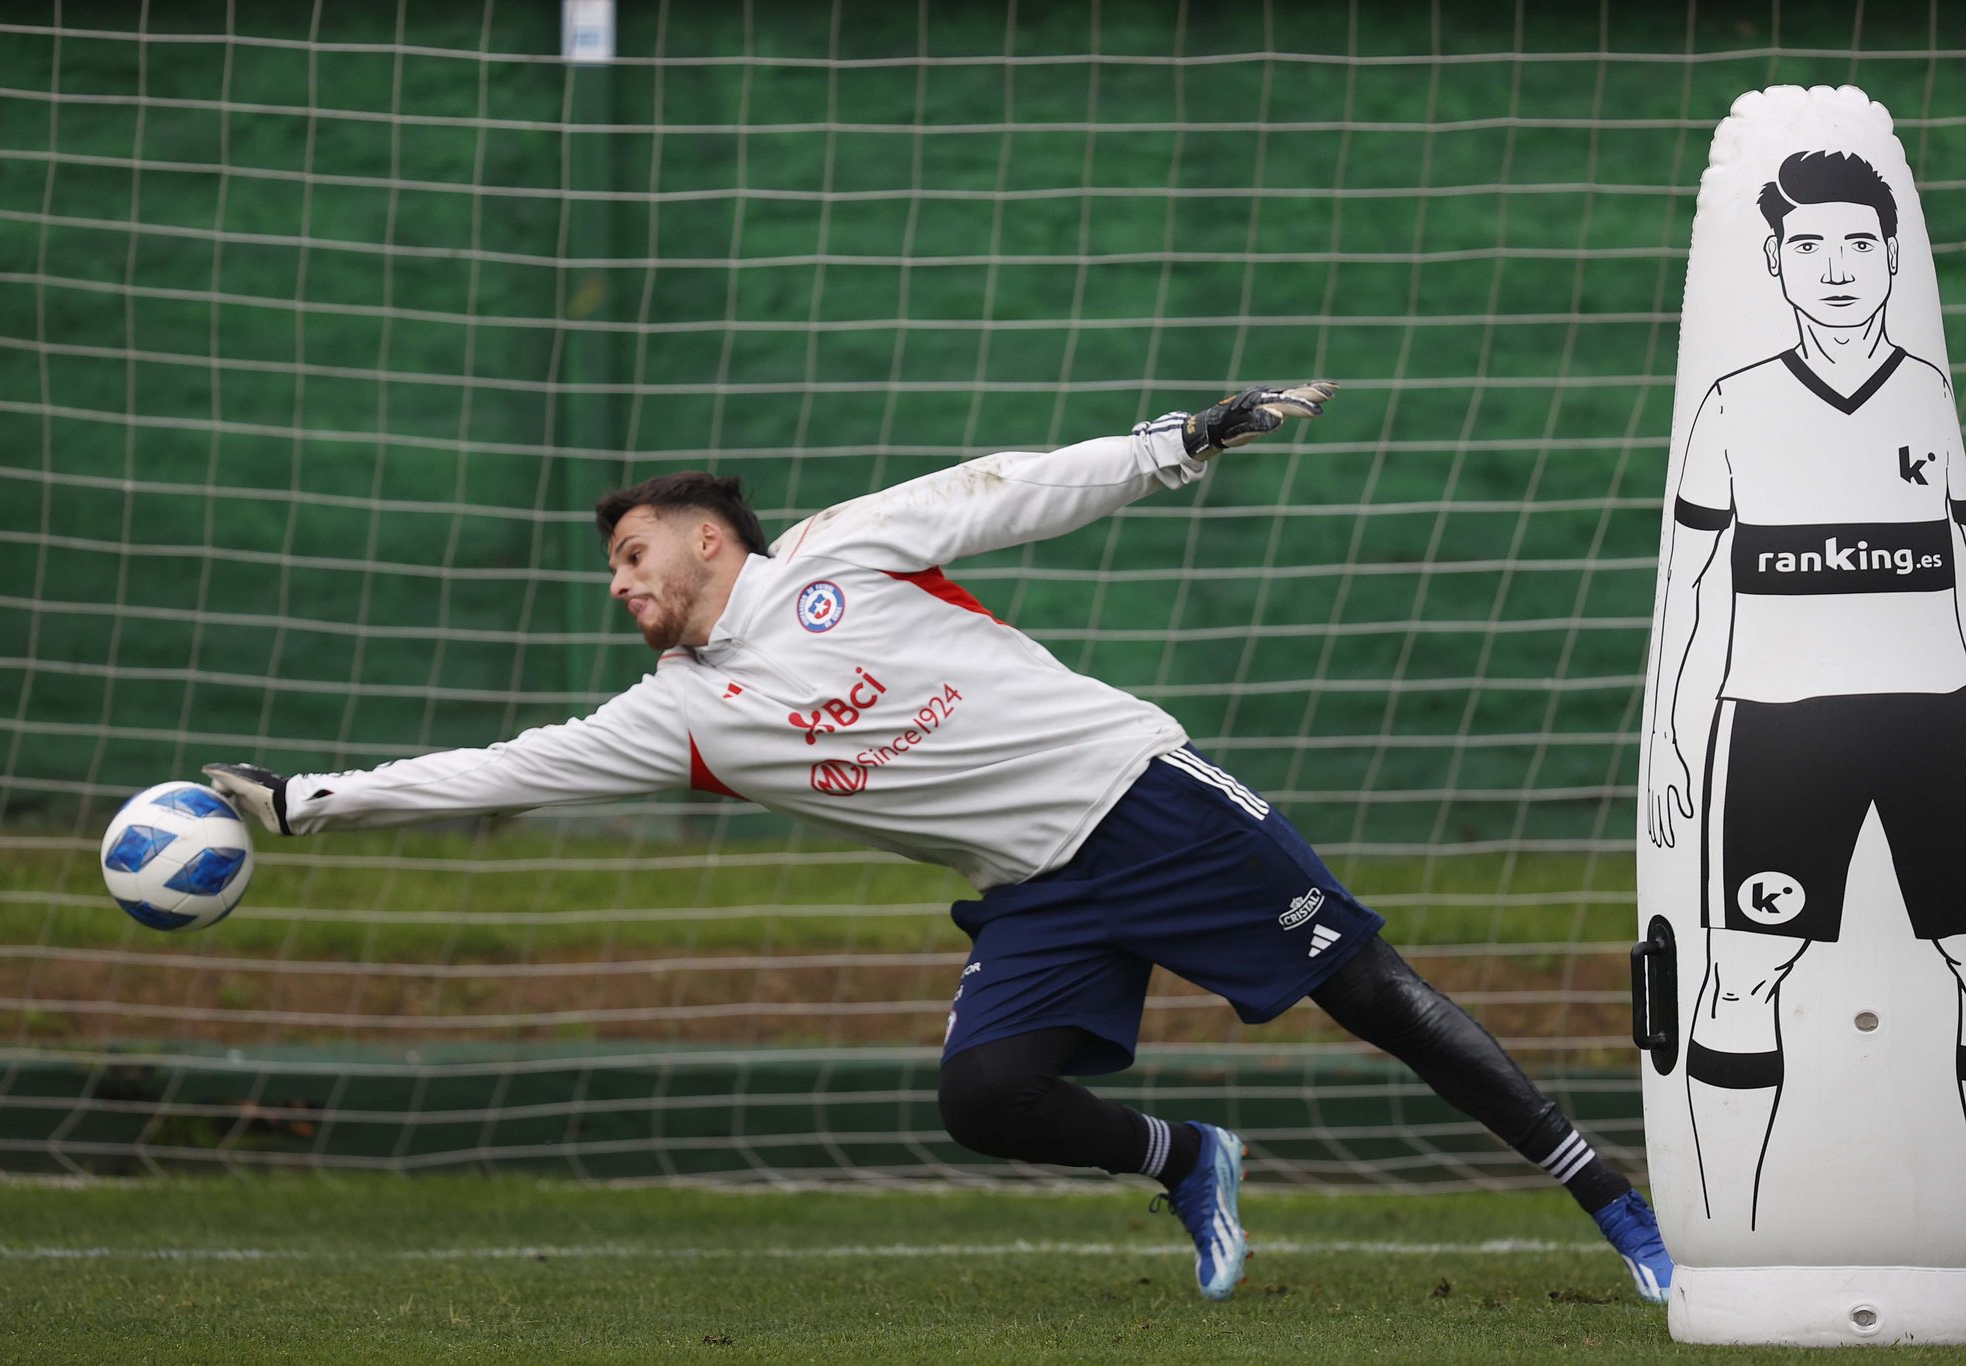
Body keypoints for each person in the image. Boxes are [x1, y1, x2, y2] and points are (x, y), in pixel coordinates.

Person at [208, 383, 1672, 1303]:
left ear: (708, 536)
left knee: (1366, 990)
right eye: (609, 569)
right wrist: (312, 799)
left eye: (631, 552)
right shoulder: (679, 718)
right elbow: (502, 768)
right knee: (985, 1095)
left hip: (1136, 796)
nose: (619, 582)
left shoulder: (839, 552)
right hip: (1034, 890)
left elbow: (1012, 486)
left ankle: (1613, 1201)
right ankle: (1186, 1156)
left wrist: (1176, 443)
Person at [1645, 149, 1966, 1228]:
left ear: (1889, 260)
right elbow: (1687, 594)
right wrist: (1673, 743)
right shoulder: (1732, 407)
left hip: (1936, 723)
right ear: (1775, 266)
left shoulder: (1928, 395)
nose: (1836, 268)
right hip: (1777, 732)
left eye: (1858, 246)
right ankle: (1731, 1236)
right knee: (1741, 971)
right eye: (1809, 247)